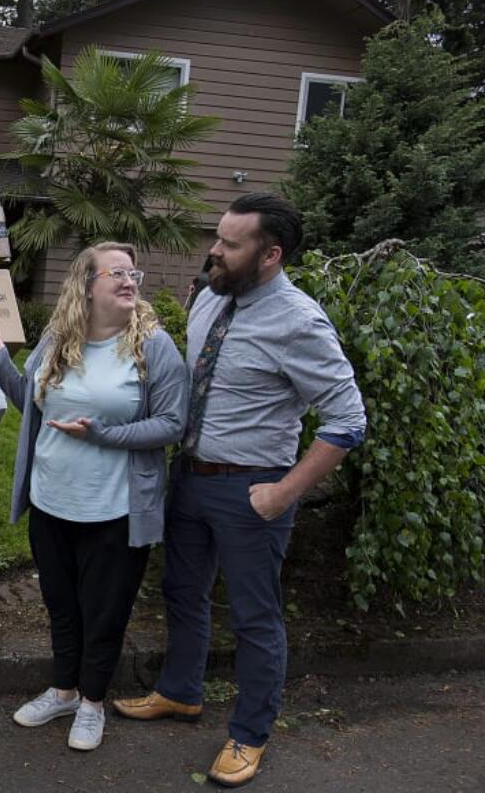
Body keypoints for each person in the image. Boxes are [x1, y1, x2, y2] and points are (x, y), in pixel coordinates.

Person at [112, 193, 366, 787]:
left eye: (230, 243)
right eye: (217, 237)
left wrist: (283, 494)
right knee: (182, 592)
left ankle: (250, 734)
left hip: (253, 490)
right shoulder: (210, 298)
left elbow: (348, 420)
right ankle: (180, 692)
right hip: (191, 478)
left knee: (254, 617)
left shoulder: (300, 321)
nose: (214, 250)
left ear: (270, 254)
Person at [0, 242, 188, 752]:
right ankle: (64, 691)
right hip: (51, 503)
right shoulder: (56, 339)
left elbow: (174, 423)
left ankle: (92, 703)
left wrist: (104, 435)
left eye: (133, 272)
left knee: (104, 611)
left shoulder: (152, 347)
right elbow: (36, 404)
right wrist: (2, 364)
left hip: (114, 510)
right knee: (61, 605)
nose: (129, 279)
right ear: (86, 285)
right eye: (116, 273)